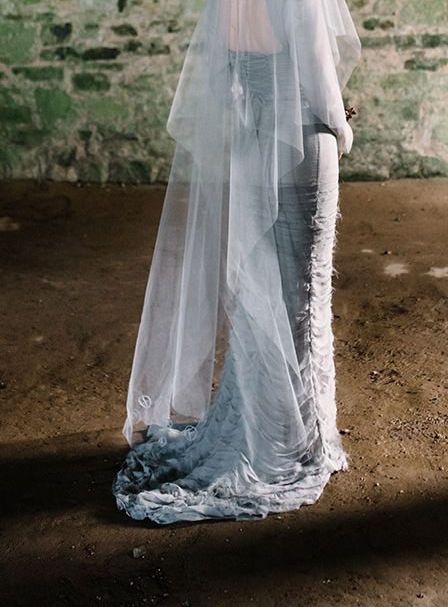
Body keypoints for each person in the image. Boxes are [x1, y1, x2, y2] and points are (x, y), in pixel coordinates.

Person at [112, 0, 361, 524]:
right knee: (303, 294)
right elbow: (316, 69)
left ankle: (265, 428)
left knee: (262, 294)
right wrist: (342, 127)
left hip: (254, 140)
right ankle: (295, 443)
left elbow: (231, 72)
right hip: (301, 144)